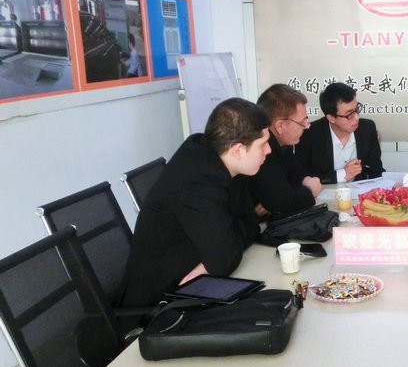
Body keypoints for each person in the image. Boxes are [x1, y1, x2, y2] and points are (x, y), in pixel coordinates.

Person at [121, 98, 272, 307]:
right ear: (238, 150)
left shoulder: (218, 159)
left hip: (192, 285)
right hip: (162, 303)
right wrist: (218, 258)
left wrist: (215, 258)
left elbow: (249, 221)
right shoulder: (197, 181)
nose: (269, 150)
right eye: (263, 144)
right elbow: (225, 258)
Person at [237, 83, 322, 217]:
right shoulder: (262, 150)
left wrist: (299, 185)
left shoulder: (283, 143)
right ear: (280, 126)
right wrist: (309, 190)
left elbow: (296, 175)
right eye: (302, 122)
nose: (306, 126)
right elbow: (283, 201)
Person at [295, 82, 384, 183]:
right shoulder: (310, 134)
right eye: (349, 114)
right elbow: (302, 177)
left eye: (357, 110)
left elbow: (377, 171)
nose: (356, 117)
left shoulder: (367, 128)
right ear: (331, 118)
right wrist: (342, 174)